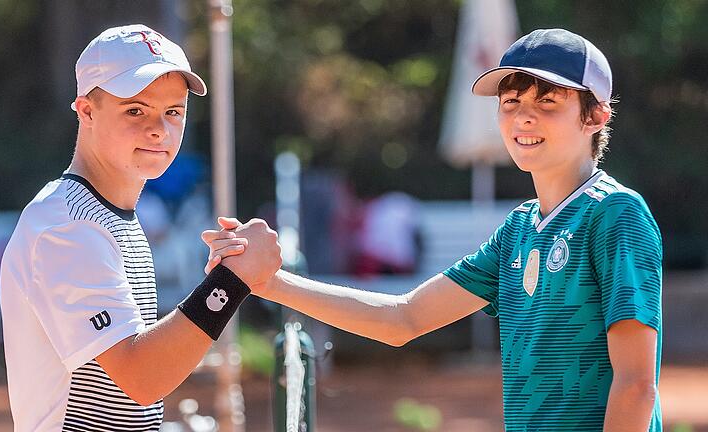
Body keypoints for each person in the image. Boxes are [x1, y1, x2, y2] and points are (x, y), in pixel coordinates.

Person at [204, 29, 662, 431]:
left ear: (595, 116)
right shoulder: (519, 229)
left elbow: (637, 383)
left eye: (548, 102)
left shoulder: (616, 214)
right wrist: (267, 282)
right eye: (511, 102)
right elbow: (403, 318)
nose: (524, 117)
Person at [0, 24, 281, 431]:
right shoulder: (67, 225)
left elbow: (126, 406)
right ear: (87, 111)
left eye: (173, 112)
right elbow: (141, 378)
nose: (158, 129)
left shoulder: (110, 214)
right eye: (135, 109)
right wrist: (230, 281)